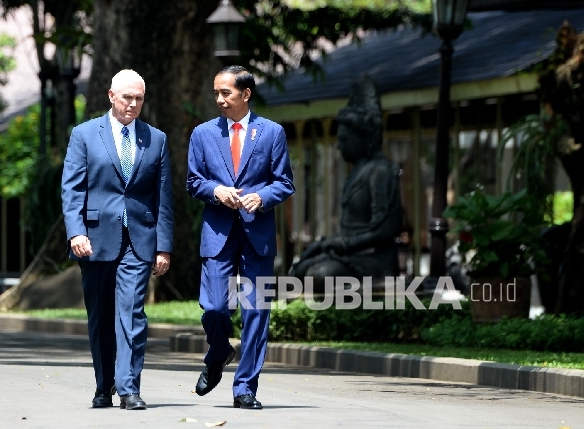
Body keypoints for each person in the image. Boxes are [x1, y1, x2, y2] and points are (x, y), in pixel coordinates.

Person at [61, 69, 173, 411]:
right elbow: (72, 188)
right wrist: (76, 231)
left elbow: (163, 198)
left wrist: (163, 246)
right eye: (128, 97)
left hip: (139, 240)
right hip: (94, 239)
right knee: (100, 316)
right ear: (111, 96)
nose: (134, 104)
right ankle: (103, 384)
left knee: (132, 313)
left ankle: (129, 388)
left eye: (139, 98)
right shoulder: (84, 135)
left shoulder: (156, 139)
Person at [187, 65, 295, 410]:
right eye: (216, 93)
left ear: (245, 94)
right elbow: (193, 182)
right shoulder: (203, 134)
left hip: (257, 234)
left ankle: (245, 387)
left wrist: (262, 197)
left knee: (255, 312)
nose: (219, 99)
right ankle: (218, 353)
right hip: (218, 233)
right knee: (215, 307)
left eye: (226, 93)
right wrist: (217, 190)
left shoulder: (271, 132)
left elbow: (284, 182)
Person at [290, 76, 401, 287]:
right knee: (300, 270)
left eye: (344, 139)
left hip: (375, 259)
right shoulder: (357, 173)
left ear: (363, 137)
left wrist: (345, 243)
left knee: (319, 275)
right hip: (350, 254)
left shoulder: (380, 170)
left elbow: (387, 229)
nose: (339, 147)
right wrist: (324, 244)